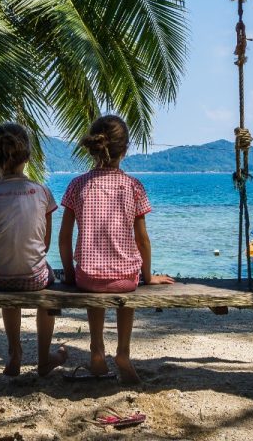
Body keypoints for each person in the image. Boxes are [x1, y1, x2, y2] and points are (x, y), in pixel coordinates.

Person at [59, 114, 174, 384]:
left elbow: (64, 237)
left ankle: (97, 348)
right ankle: (123, 352)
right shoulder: (133, 186)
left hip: (87, 278)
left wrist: (69, 273)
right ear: (124, 150)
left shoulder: (77, 185)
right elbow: (142, 239)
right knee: (125, 282)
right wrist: (148, 277)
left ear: (93, 148)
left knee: (93, 278)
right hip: (125, 280)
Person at [0, 122, 68, 377]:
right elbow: (44, 244)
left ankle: (15, 354)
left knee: (9, 277)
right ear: (27, 156)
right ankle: (43, 357)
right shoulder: (42, 192)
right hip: (34, 279)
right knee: (47, 285)